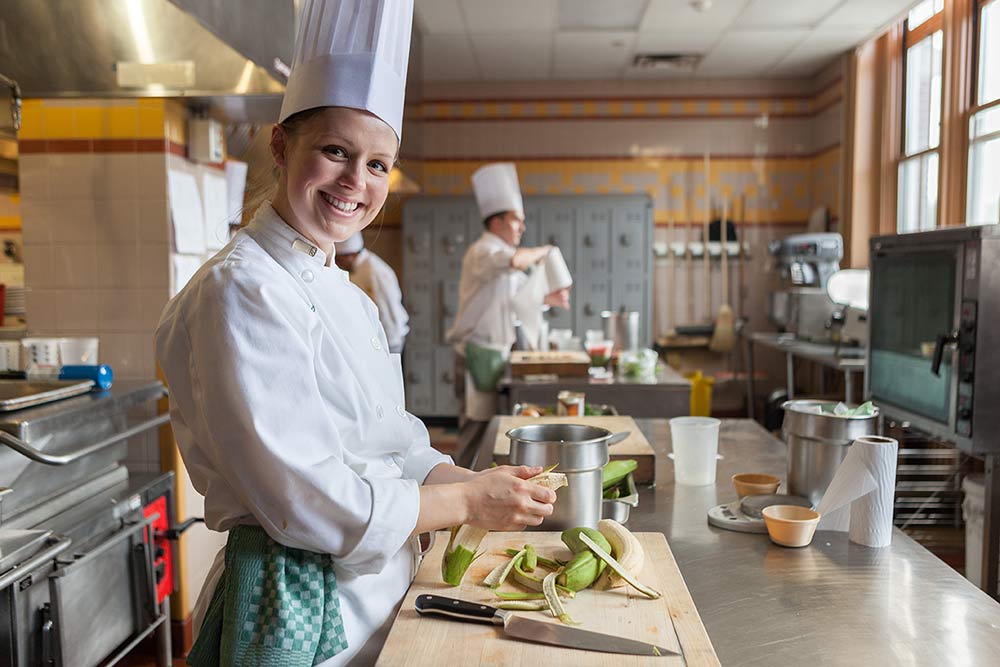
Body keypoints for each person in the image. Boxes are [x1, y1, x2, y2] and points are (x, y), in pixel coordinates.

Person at [155, 2, 556, 665]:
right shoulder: (241, 291)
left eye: (377, 164)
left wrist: (485, 481)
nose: (356, 183)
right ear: (282, 147)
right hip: (297, 617)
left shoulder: (347, 293)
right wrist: (466, 499)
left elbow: (395, 445)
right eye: (335, 151)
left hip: (384, 603)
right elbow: (308, 503)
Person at [446, 163, 570, 422]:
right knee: (475, 427)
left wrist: (550, 299)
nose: (521, 228)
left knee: (491, 426)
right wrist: (546, 251)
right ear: (496, 221)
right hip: (477, 352)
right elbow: (515, 261)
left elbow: (520, 298)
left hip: (496, 353)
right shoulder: (483, 252)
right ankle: (464, 464)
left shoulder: (502, 255)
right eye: (516, 220)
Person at [335, 233, 409, 353]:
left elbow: (387, 313)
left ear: (351, 255)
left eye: (339, 259)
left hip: (389, 342)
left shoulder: (373, 271)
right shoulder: (358, 269)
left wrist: (389, 347)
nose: (338, 264)